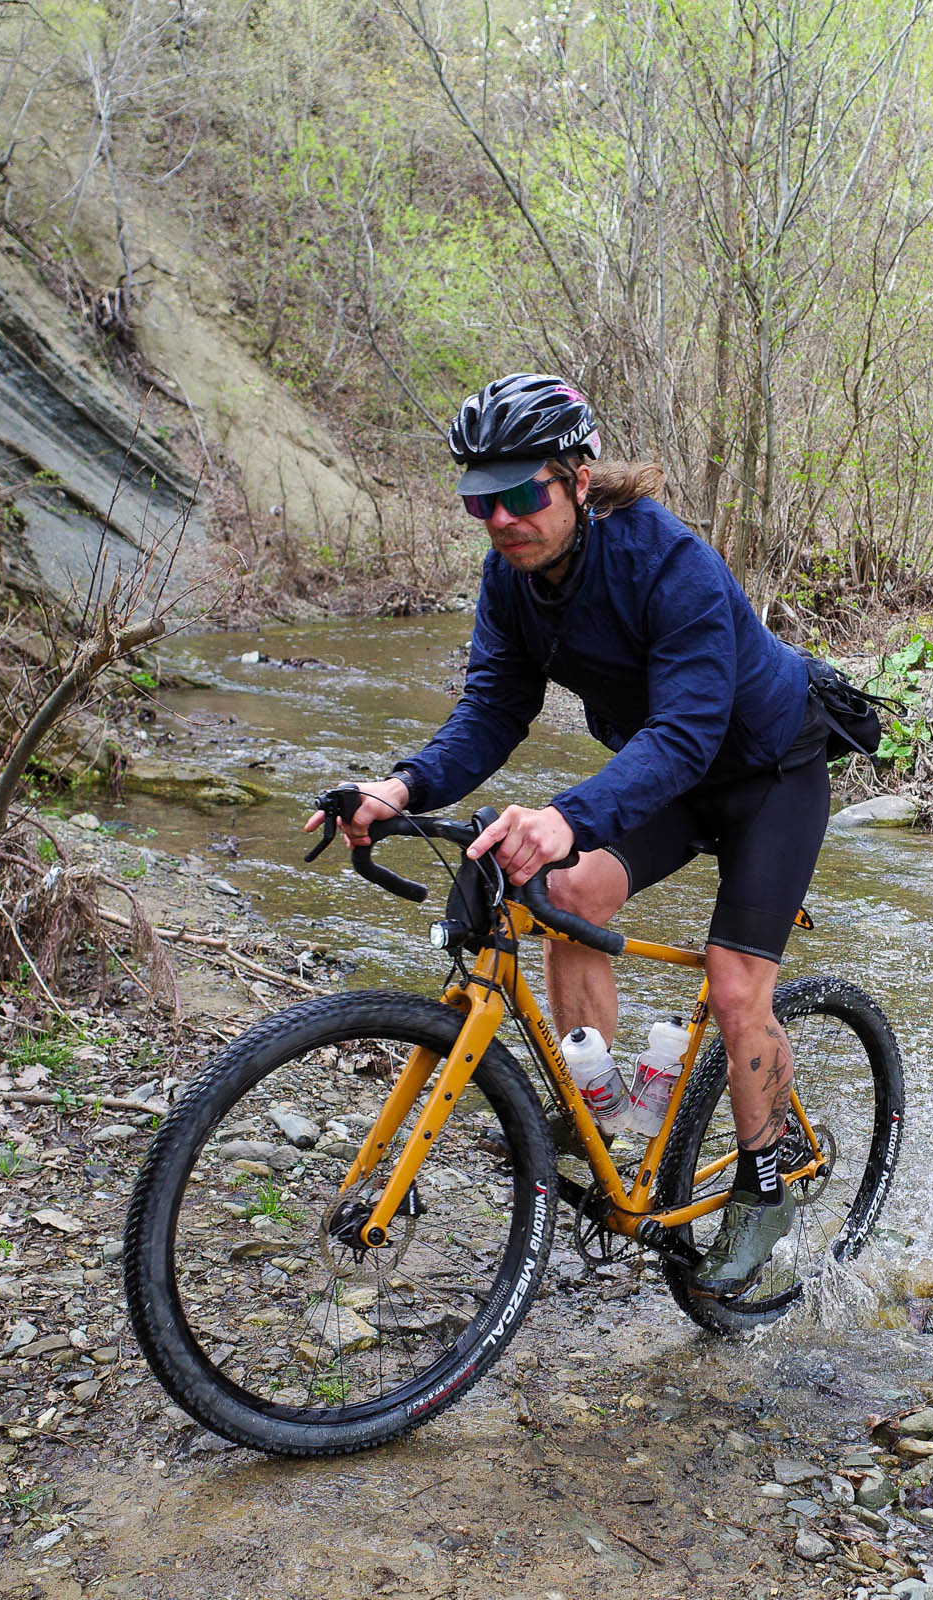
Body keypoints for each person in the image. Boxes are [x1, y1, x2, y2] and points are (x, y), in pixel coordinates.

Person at [303, 373, 828, 1297]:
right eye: (479, 498)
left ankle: (765, 1185)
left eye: (520, 494)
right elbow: (493, 709)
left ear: (578, 479)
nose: (500, 518)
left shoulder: (671, 564)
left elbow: (689, 730)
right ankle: (601, 1121)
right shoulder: (509, 579)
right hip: (672, 770)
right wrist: (401, 785)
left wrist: (565, 816)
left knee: (736, 984)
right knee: (567, 895)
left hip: (766, 771)